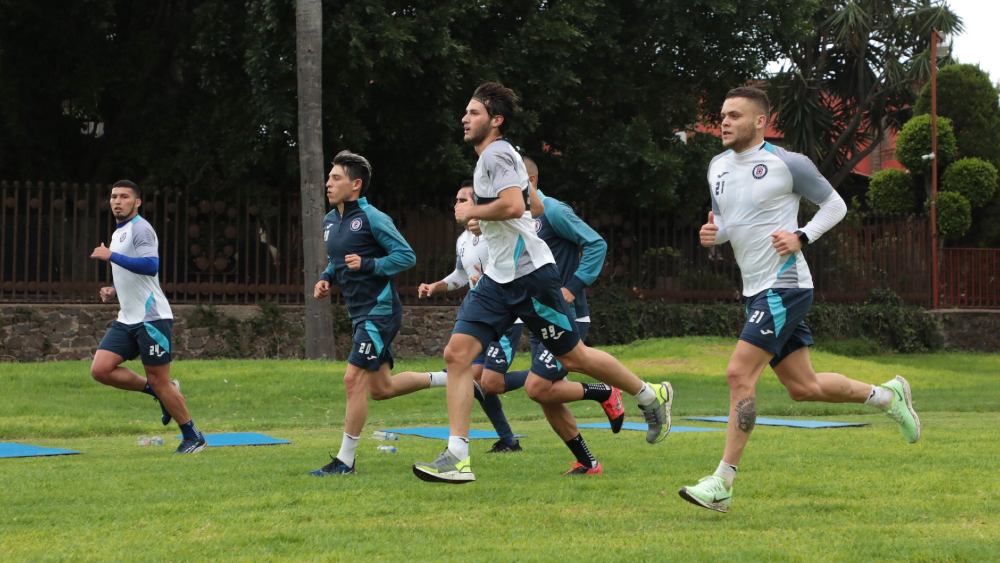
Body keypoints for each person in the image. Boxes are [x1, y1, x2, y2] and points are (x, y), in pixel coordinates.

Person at [413, 82, 673, 484]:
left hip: (531, 278)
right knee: (457, 354)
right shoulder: (502, 157)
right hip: (498, 279)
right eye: (466, 112)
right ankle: (458, 457)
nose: (464, 118)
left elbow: (516, 205)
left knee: (575, 359)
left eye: (474, 112)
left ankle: (650, 394)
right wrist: (493, 218)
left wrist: (477, 213)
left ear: (496, 120)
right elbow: (533, 205)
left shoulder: (496, 154)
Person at [678, 86, 920, 513]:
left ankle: (722, 483)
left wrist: (801, 236)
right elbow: (732, 224)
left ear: (760, 122)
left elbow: (835, 205)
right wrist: (714, 234)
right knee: (803, 388)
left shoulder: (789, 163)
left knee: (738, 374)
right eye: (723, 114)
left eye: (734, 115)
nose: (725, 122)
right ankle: (887, 397)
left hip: (785, 286)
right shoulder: (716, 166)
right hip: (754, 288)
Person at [488, 156, 624, 476]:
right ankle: (588, 463)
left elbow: (596, 244)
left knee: (537, 388)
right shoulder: (517, 218)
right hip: (539, 318)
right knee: (546, 395)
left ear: (531, 182)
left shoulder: (553, 210)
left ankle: (606, 391)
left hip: (567, 316)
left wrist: (573, 287)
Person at [309, 150, 424, 476]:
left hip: (380, 311)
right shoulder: (329, 221)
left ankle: (345, 462)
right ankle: (452, 378)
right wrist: (326, 278)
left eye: (336, 178)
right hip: (358, 313)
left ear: (356, 184)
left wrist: (370, 264)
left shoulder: (373, 217)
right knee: (381, 388)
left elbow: (406, 256)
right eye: (329, 177)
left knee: (352, 379)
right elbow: (337, 259)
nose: (328, 183)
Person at [89, 180, 207, 454]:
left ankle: (193, 437)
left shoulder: (141, 228)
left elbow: (151, 265)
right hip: (127, 318)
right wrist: (114, 288)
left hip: (152, 318)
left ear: (137, 202)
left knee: (159, 379)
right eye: (114, 197)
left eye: (124, 197)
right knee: (101, 370)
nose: (118, 201)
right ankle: (159, 393)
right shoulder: (119, 232)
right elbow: (131, 272)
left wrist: (110, 256)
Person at [418, 181, 527, 454]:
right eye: (455, 200)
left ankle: (544, 376)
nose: (456, 205)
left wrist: (489, 280)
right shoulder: (462, 240)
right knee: (477, 383)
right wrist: (435, 286)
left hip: (505, 319)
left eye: (462, 200)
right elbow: (461, 275)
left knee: (487, 382)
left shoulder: (498, 230)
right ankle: (508, 441)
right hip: (481, 317)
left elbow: (515, 264)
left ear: (478, 205)